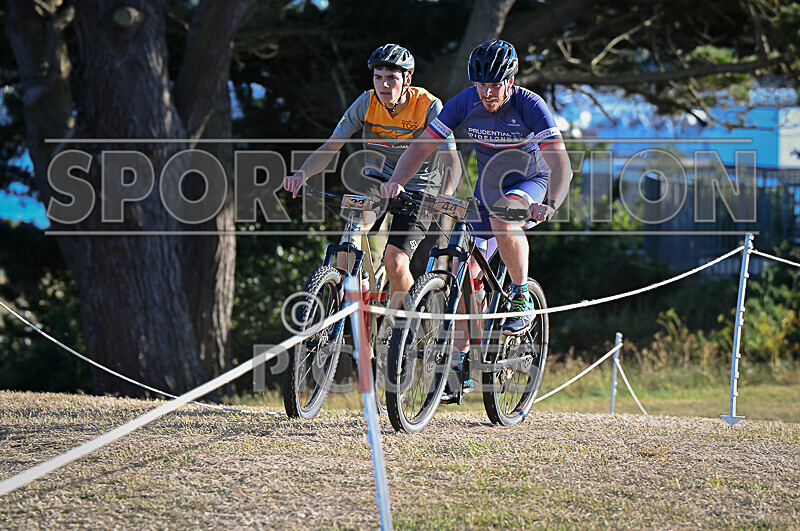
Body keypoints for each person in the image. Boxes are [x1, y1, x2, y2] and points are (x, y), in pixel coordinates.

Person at [380, 39, 572, 396]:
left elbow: (561, 163)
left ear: (510, 81)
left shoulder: (530, 105)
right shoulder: (465, 102)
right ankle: (460, 360)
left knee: (502, 219)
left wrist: (550, 202)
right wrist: (397, 182)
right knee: (462, 271)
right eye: (482, 84)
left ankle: (521, 296)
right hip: (490, 188)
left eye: (495, 84)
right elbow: (421, 147)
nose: (487, 92)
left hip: (532, 183)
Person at [284, 44, 460, 302]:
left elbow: (451, 159)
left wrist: (445, 195)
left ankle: (407, 319)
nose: (383, 85)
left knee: (395, 263)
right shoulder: (366, 102)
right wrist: (302, 174)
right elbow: (331, 146)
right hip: (377, 180)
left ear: (407, 80)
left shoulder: (429, 105)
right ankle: (351, 302)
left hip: (421, 188)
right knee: (351, 234)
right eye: (378, 77)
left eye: (391, 78)